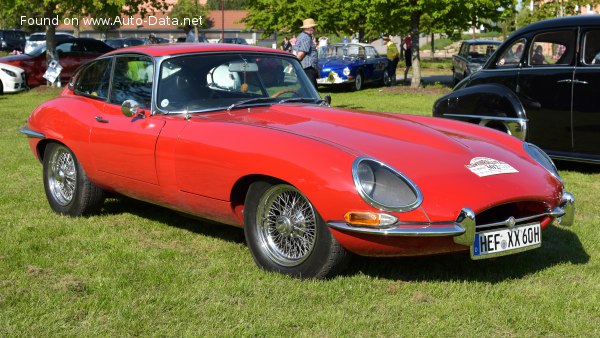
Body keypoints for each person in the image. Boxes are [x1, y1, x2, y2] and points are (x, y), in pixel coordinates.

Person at [296, 18, 319, 89]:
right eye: (313, 27)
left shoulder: (306, 37)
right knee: (311, 90)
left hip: (309, 67)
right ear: (309, 28)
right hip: (307, 68)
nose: (314, 29)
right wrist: (294, 63)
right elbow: (301, 53)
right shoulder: (305, 37)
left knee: (309, 89)